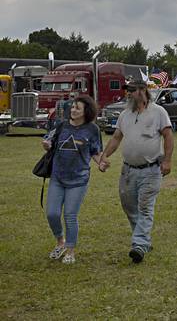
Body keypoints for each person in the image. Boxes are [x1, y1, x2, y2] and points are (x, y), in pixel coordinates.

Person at [98, 79, 174, 264]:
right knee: (129, 207)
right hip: (128, 171)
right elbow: (116, 137)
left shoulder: (158, 112)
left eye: (132, 91)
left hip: (151, 170)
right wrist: (104, 155)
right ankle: (144, 240)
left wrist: (168, 160)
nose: (128, 94)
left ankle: (139, 244)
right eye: (127, 91)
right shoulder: (125, 114)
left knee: (145, 207)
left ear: (142, 91)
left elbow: (168, 135)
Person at [42, 95, 104, 264]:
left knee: (70, 215)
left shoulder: (92, 130)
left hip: (79, 179)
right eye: (73, 107)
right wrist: (46, 144)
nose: (73, 110)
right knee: (52, 213)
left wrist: (101, 163)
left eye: (78, 108)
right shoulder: (61, 125)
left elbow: (95, 151)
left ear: (86, 112)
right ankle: (60, 241)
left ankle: (70, 251)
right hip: (58, 177)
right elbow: (48, 139)